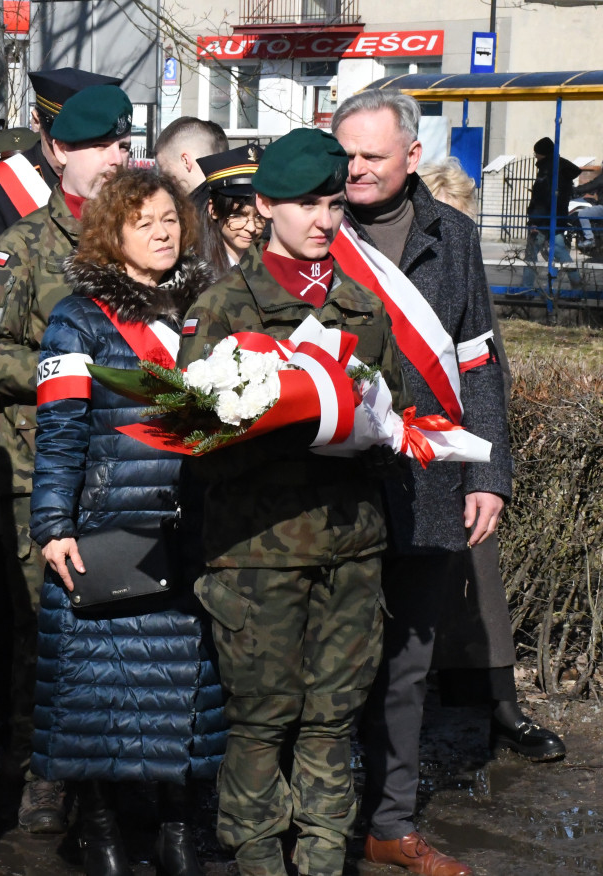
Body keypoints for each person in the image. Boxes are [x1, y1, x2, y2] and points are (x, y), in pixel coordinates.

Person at [177, 127, 406, 876]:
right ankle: (255, 855)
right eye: (306, 204)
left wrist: (373, 429)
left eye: (335, 204)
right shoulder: (223, 309)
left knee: (333, 718)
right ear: (265, 204)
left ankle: (321, 853)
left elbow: (389, 410)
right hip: (257, 551)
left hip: (350, 546)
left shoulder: (364, 309)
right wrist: (275, 426)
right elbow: (190, 438)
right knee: (261, 718)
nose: (324, 220)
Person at [332, 89, 512, 876]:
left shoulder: (455, 235)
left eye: (374, 156)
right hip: (333, 486)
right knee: (330, 662)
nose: (356, 170)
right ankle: (320, 820)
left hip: (430, 479)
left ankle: (391, 823)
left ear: (412, 156)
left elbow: (478, 360)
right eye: (348, 154)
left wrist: (489, 472)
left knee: (407, 665)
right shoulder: (314, 227)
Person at [31, 166, 224, 876]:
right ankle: (101, 828)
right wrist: (53, 524)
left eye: (170, 219)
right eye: (143, 222)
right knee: (100, 701)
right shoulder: (76, 318)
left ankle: (177, 828)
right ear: (112, 234)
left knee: (182, 698)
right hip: (107, 533)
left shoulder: (210, 306)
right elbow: (61, 432)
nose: (162, 232)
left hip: (188, 534)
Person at [0, 83, 133, 835]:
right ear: (58, 152)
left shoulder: (153, 241)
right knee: (45, 628)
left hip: (134, 471)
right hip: (44, 474)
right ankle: (43, 772)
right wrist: (67, 370)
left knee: (129, 626)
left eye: (121, 145)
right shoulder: (23, 247)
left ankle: (127, 773)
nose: (112, 158)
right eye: (96, 146)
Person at [419, 158, 566, 763]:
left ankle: (500, 704)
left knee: (480, 584)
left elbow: (489, 367)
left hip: (465, 447)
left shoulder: (463, 266)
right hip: (413, 442)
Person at [0, 67, 121, 272]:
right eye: (60, 136)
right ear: (37, 121)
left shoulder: (118, 185)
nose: (66, 146)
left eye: (87, 140)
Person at [521, 136, 583, 293]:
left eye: (537, 152)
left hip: (544, 220)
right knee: (559, 249)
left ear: (544, 153)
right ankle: (577, 282)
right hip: (557, 217)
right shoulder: (560, 169)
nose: (535, 155)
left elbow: (541, 198)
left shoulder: (547, 171)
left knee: (531, 253)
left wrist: (534, 221)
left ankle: (526, 288)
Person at [195, 144, 266, 276]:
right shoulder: (191, 273)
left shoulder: (272, 264)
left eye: (259, 217)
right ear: (214, 210)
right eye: (239, 215)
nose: (252, 228)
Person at [154, 116, 229, 206]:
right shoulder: (239, 200)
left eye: (167, 173)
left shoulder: (193, 214)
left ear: (186, 161)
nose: (166, 182)